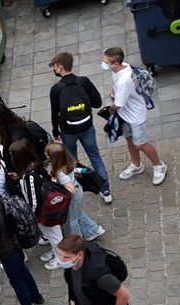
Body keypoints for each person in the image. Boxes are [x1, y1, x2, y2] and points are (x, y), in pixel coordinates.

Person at [48, 52, 112, 204]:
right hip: (86, 126)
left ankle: (78, 184)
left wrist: (56, 132)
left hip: (68, 131)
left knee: (73, 161)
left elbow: (54, 112)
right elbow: (97, 103)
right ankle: (105, 190)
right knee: (95, 156)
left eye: (55, 67)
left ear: (60, 67)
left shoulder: (56, 89)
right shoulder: (83, 81)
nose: (54, 70)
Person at [103, 47, 167, 186]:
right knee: (130, 140)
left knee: (140, 143)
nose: (104, 64)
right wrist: (114, 91)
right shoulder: (124, 67)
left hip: (135, 116)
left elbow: (118, 104)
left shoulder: (123, 80)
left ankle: (159, 165)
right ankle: (136, 165)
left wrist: (111, 109)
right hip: (127, 114)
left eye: (106, 62)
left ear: (115, 64)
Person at [10, 140, 62, 270]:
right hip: (45, 211)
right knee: (52, 235)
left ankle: (60, 257)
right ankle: (55, 251)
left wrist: (32, 216)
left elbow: (34, 199)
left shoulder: (30, 176)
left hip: (43, 213)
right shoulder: (35, 166)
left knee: (55, 235)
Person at [47, 141, 104, 241]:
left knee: (71, 220)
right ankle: (93, 230)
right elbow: (82, 171)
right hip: (78, 191)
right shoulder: (69, 164)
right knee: (77, 213)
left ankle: (76, 241)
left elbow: (71, 190)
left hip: (72, 197)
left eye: (47, 154)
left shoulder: (60, 174)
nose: (45, 155)